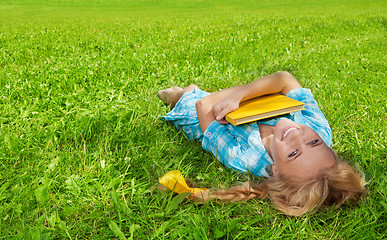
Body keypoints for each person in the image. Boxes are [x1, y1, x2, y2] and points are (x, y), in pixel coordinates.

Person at [158, 71, 365, 216]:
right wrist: (240, 94)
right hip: (241, 103)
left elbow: (203, 105)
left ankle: (178, 94)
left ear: (275, 170)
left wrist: (237, 95)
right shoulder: (319, 129)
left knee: (189, 95)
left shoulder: (245, 157)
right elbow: (285, 78)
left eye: (293, 154)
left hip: (195, 116)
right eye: (313, 142)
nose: (296, 136)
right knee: (217, 97)